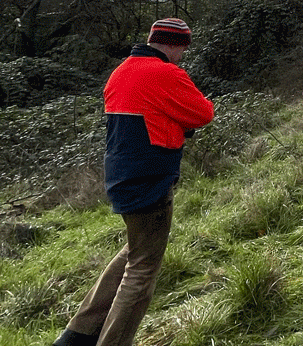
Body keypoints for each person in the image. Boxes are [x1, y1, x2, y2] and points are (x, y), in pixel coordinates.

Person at [53, 18, 214, 346]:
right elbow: (203, 113)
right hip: (149, 179)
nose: (182, 56)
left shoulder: (121, 71)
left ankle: (78, 334)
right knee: (142, 271)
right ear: (174, 45)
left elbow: (149, 115)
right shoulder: (165, 73)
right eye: (183, 48)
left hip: (120, 173)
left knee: (136, 250)